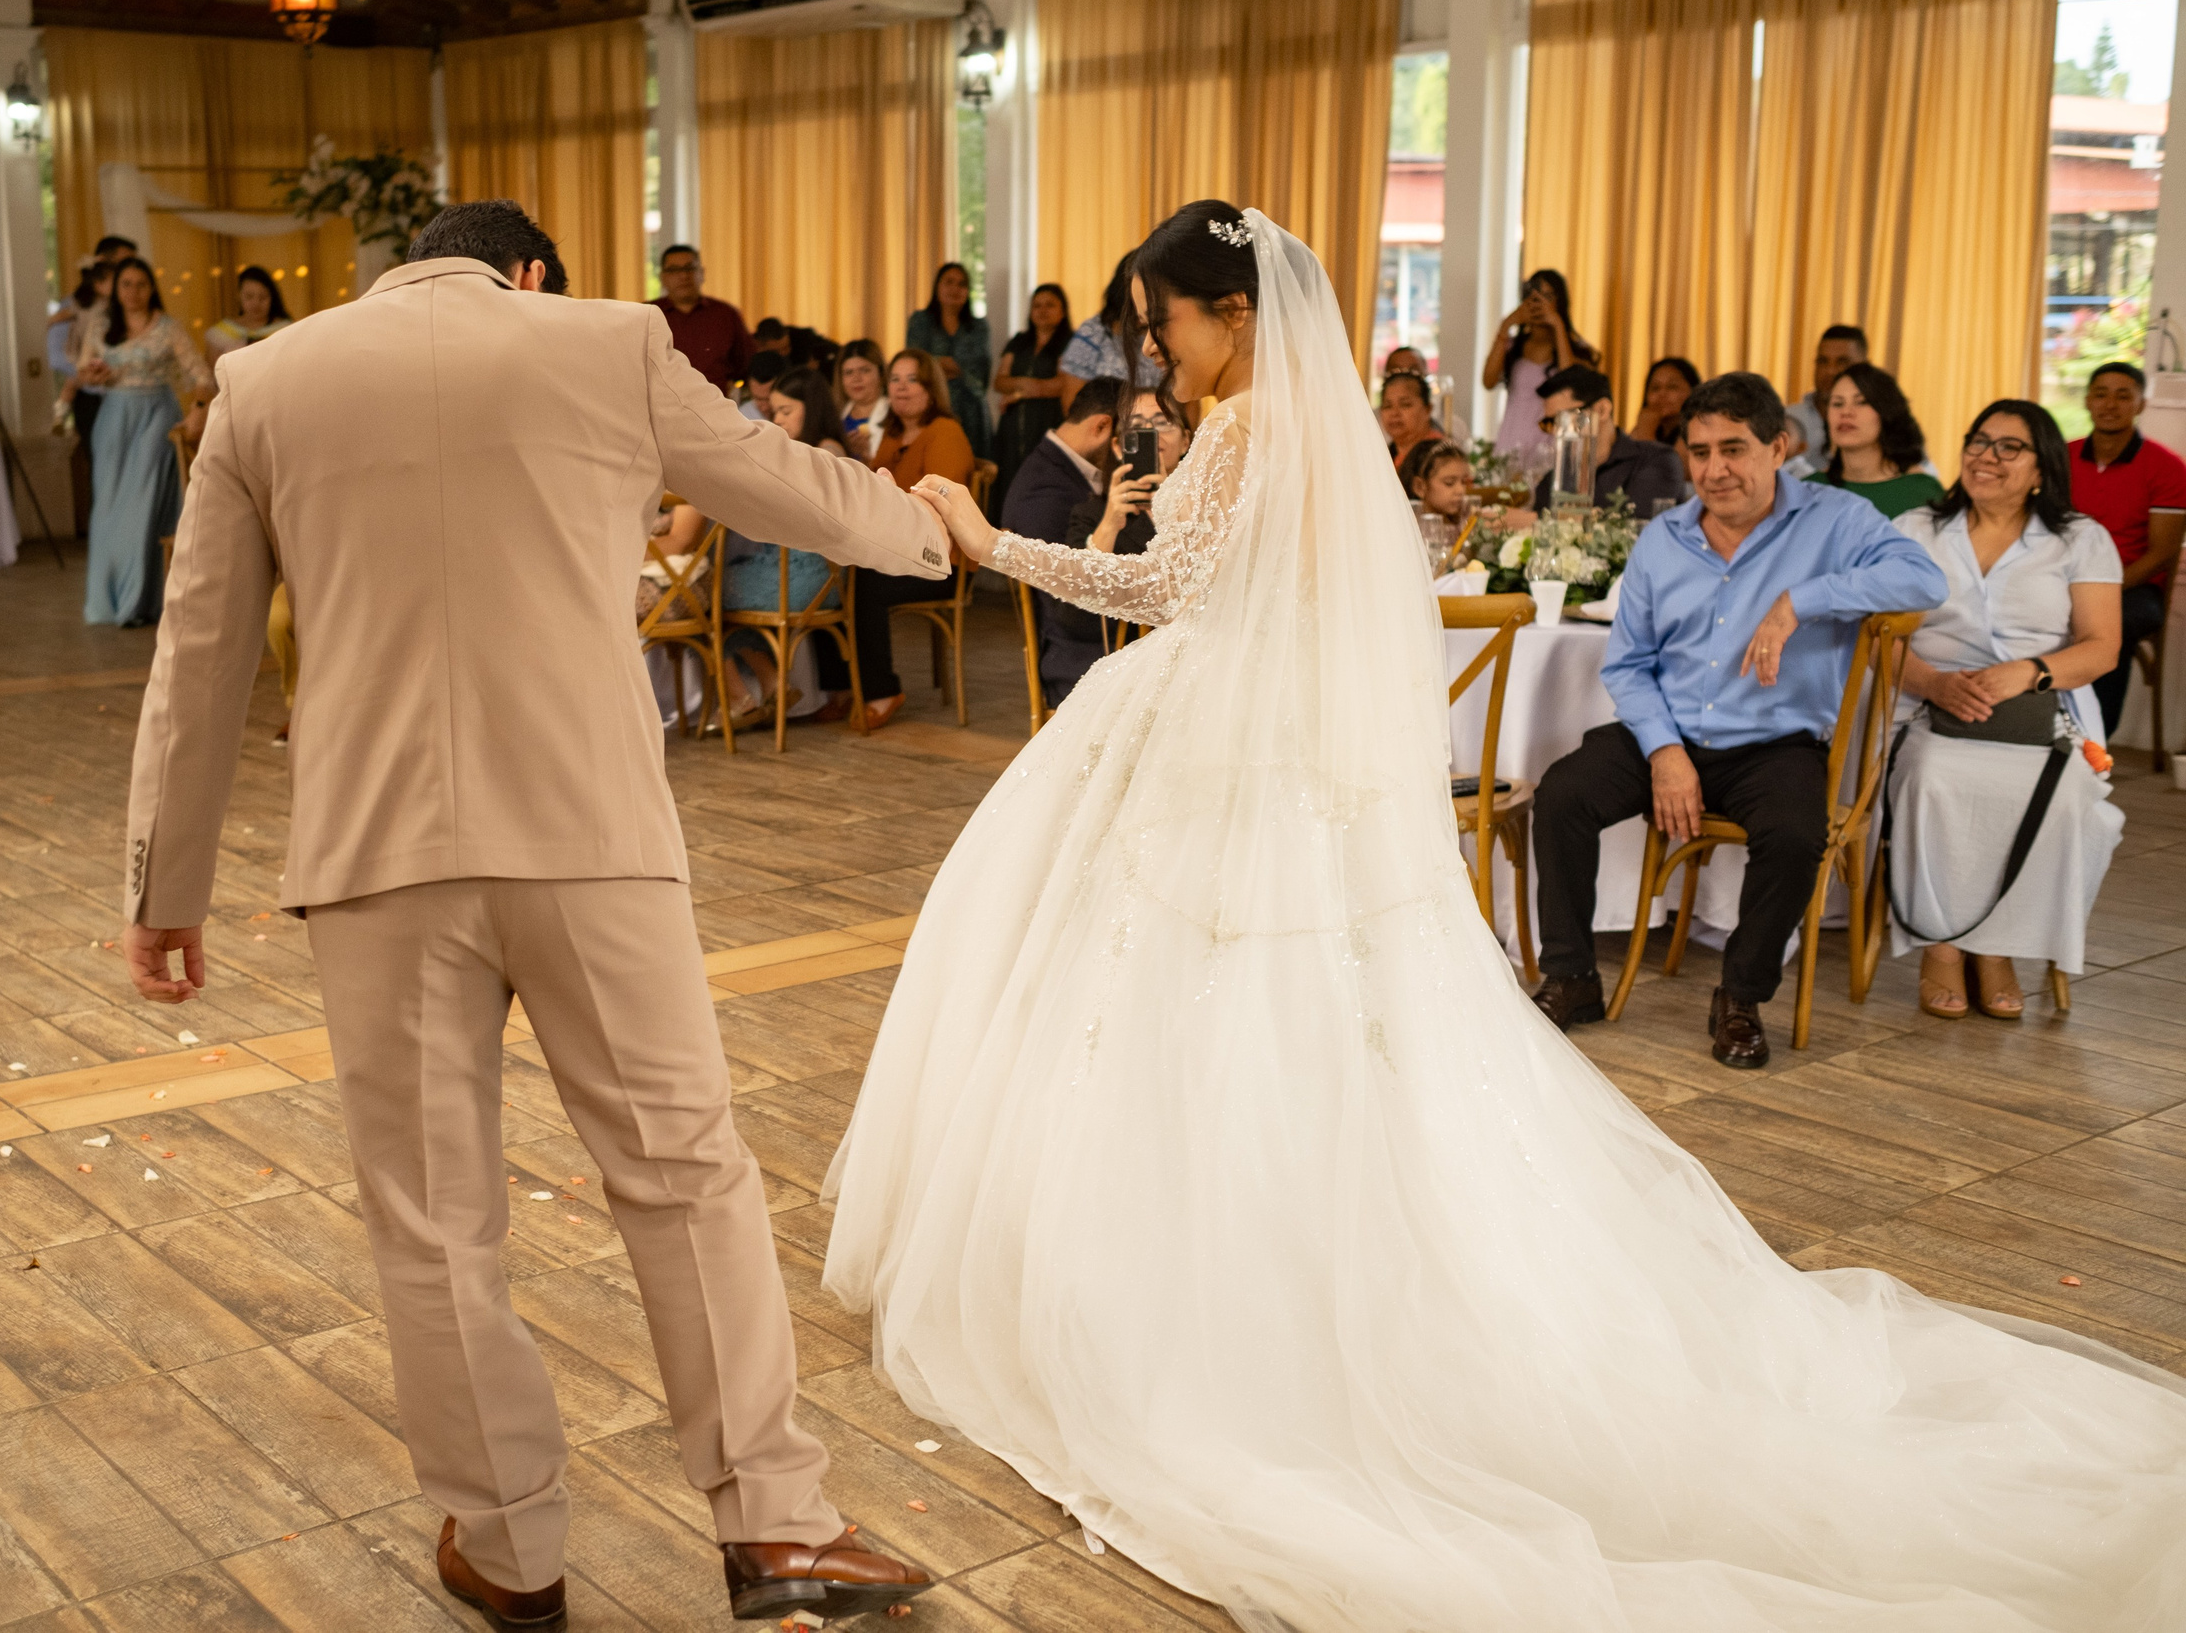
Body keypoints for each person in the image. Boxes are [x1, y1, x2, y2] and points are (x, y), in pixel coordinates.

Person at [831, 200, 2186, 1632]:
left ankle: (1188, 1295)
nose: (1154, 344)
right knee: (1323, 1013)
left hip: (1215, 740)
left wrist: (984, 537)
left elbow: (1159, 590)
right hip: (1273, 748)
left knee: (1185, 987)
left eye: (1162, 319)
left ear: (1229, 313)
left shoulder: (1252, 425)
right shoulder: (1317, 423)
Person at [121, 197, 943, 1629]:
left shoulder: (269, 379)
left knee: (434, 1220)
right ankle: (775, 1523)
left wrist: (164, 886)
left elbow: (200, 654)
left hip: (376, 851)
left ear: (399, 269)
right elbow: (789, 487)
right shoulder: (612, 344)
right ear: (531, 273)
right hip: (591, 836)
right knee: (686, 1173)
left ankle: (508, 1547)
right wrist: (932, 532)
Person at [1526, 370, 1944, 1064]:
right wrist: (1664, 752)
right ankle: (1571, 975)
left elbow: (1926, 580)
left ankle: (1740, 996)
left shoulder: (1834, 521)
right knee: (1563, 794)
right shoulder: (1664, 538)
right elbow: (1628, 664)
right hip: (1669, 733)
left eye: (1734, 448)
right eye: (1699, 451)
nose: (1714, 470)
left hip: (1776, 742)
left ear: (1779, 448)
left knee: (1795, 832)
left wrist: (1802, 599)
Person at [1887, 400, 2124, 1021]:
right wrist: (1934, 684)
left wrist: (2031, 673)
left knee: (2069, 800)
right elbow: (1877, 640)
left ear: (2042, 468)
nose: (1986, 457)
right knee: (1935, 779)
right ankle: (1942, 942)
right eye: (1978, 442)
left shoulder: (2080, 539)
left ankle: (1999, 945)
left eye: (2008, 448)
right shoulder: (1916, 529)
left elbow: (2102, 647)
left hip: (2042, 711)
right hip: (1925, 705)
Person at [821, 350, 974, 732]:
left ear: (931, 389)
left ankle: (882, 691)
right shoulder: (891, 434)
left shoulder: (945, 433)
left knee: (865, 584)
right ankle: (841, 687)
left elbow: (940, 507)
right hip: (902, 551)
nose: (902, 388)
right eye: (896, 379)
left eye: (913, 380)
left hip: (943, 561)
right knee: (831, 575)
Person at [65, 256, 213, 627]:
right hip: (114, 419)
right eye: (126, 284)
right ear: (117, 289)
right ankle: (109, 598)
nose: (134, 291)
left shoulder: (168, 327)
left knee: (141, 505)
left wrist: (196, 409)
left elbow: (202, 375)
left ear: (152, 287)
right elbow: (84, 374)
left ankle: (137, 601)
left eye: (141, 284)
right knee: (108, 510)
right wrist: (95, 375)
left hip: (155, 416)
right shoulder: (102, 326)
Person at [999, 377, 1148, 706]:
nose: (1129, 448)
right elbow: (1066, 606)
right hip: (1082, 658)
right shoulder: (1048, 492)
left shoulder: (1057, 470)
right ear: (1103, 427)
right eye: (1131, 435)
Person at [716, 365, 850, 721]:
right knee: (706, 593)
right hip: (791, 569)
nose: (778, 420)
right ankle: (766, 683)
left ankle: (745, 694)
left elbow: (815, 519)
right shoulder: (803, 450)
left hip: (813, 575)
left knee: (703, 595)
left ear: (812, 407)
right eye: (774, 412)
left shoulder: (827, 450)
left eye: (786, 411)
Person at [2067, 360, 2186, 735]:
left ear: (2140, 405)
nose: (2110, 404)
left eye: (2123, 395)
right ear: (2087, 401)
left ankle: (2093, 743)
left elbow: (2163, 552)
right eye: (2101, 394)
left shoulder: (2167, 468)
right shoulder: (2060, 457)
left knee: (2108, 624)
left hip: (2134, 587)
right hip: (2063, 579)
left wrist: (2103, 591)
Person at [1527, 365, 1686, 516]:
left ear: (1602, 410)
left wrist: (1535, 522)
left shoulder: (1656, 460)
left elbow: (1639, 530)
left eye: (1562, 419)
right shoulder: (1553, 480)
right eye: (1549, 424)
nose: (1556, 431)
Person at [1805, 361, 1941, 518]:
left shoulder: (1920, 492)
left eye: (1861, 402)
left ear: (1886, 411)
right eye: (1837, 403)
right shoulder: (1810, 489)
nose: (1846, 412)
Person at [1481, 268, 1594, 449]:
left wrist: (1557, 325)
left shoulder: (1578, 350)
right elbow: (1488, 381)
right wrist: (1506, 325)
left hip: (1552, 441)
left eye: (1547, 297)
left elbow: (1570, 384)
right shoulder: (1513, 347)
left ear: (1560, 302)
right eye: (1534, 297)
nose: (1539, 304)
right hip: (1513, 439)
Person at [50, 261, 113, 539]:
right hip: (86, 371)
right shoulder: (81, 306)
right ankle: (59, 415)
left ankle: (60, 413)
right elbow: (58, 325)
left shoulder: (113, 310)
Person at [991, 283, 1073, 492]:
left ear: (1062, 311)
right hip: (1012, 424)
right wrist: (1026, 387)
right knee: (1008, 480)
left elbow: (1061, 384)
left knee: (1042, 480)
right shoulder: (1019, 341)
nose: (1042, 310)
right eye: (1037, 306)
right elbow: (999, 381)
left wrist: (1018, 393)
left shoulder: (1070, 342)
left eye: (1050, 305)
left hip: (1048, 420)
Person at [906, 261, 992, 459]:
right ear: (938, 287)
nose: (955, 288)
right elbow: (915, 365)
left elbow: (981, 376)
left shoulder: (978, 327)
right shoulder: (920, 321)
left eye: (962, 284)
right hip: (929, 411)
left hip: (972, 414)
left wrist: (941, 364)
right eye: (949, 282)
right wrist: (948, 366)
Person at [1057, 250, 1160, 404]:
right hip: (1108, 424)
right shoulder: (1093, 332)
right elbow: (1072, 399)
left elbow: (1187, 402)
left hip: (1163, 424)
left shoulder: (1166, 330)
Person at [649, 243, 752, 392]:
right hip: (662, 407)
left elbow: (746, 365)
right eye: (674, 270)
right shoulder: (648, 315)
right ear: (662, 277)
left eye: (689, 268)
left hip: (718, 406)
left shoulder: (726, 315)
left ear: (702, 273)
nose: (684, 276)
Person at [1783, 323, 1869, 472]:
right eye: (1823, 361)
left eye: (1842, 362)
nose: (1830, 371)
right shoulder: (1786, 420)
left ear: (1865, 367)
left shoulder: (1880, 423)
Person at [205, 265, 294, 366]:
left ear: (272, 298)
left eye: (263, 297)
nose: (256, 304)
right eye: (249, 297)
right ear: (239, 296)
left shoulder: (285, 330)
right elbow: (212, 373)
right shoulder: (220, 334)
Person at [834, 339, 891, 460]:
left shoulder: (894, 412)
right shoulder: (835, 414)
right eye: (849, 372)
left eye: (865, 370)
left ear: (881, 374)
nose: (856, 378)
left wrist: (865, 455)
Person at [1378, 370, 1447, 465]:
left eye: (1405, 405)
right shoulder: (1383, 455)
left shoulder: (1441, 454)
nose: (1394, 413)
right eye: (1387, 406)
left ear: (1427, 409)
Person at [1629, 355, 1700, 447]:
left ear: (1693, 391)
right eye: (1655, 388)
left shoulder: (1697, 431)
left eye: (1672, 387)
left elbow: (1671, 461)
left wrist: (1646, 435)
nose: (1662, 394)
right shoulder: (1643, 428)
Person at [1400, 435, 1475, 518]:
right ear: (1420, 487)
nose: (1460, 490)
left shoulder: (1466, 521)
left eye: (1464, 482)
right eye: (1449, 483)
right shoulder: (1406, 527)